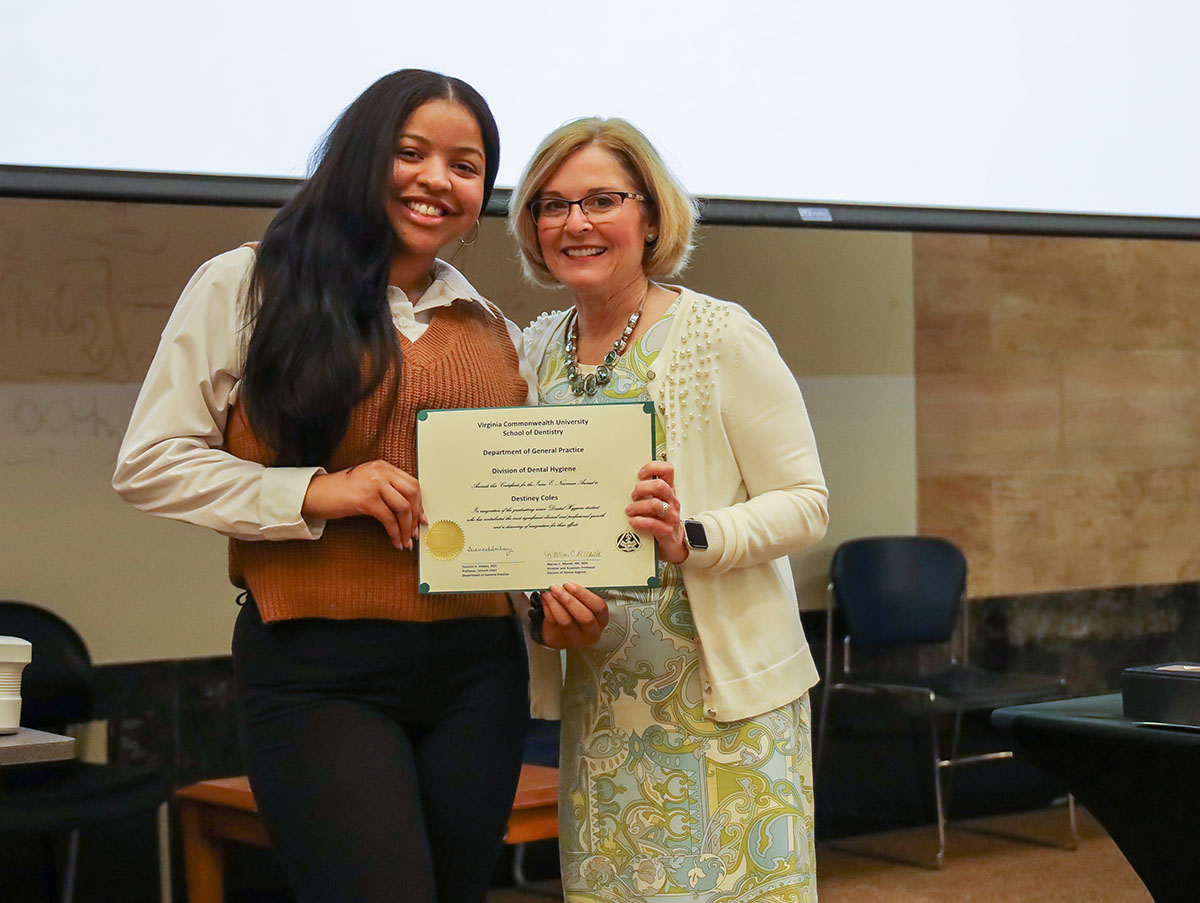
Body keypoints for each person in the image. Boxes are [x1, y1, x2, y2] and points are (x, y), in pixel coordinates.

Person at [113, 70, 535, 903]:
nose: (437, 181)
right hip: (318, 668)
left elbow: (523, 505)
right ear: (360, 156)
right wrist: (315, 491)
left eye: (466, 164)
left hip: (479, 672)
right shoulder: (250, 283)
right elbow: (151, 461)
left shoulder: (496, 329)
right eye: (411, 153)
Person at [508, 118, 829, 902]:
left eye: (601, 200)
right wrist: (536, 605)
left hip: (724, 707)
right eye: (552, 205)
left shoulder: (719, 335)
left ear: (650, 215)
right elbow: (522, 523)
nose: (574, 223)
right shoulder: (534, 351)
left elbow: (807, 505)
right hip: (604, 703)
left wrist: (694, 534)